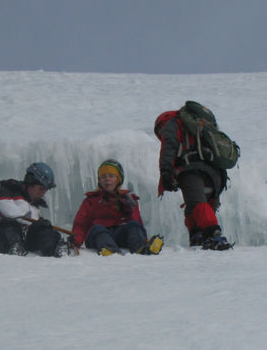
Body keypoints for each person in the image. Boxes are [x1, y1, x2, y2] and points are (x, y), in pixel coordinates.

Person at [154, 101, 235, 250]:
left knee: (196, 203)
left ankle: (212, 234)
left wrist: (165, 172)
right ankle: (197, 234)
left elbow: (169, 146)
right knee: (195, 205)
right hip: (216, 175)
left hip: (192, 170)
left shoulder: (172, 123)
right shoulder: (200, 127)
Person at [70, 159, 163, 256]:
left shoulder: (128, 199)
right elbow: (80, 224)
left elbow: (136, 221)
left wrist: (142, 237)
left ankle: (141, 248)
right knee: (97, 228)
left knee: (133, 225)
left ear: (118, 179)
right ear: (99, 181)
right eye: (103, 176)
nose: (107, 179)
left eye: (111, 176)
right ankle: (111, 252)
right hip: (97, 237)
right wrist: (75, 242)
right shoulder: (90, 201)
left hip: (120, 234)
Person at [0, 162, 65, 256]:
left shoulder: (34, 205)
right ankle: (14, 250)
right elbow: (12, 214)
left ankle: (55, 249)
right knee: (9, 225)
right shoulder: (4, 192)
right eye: (40, 189)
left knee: (44, 229)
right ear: (30, 183)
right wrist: (20, 199)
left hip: (25, 241)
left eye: (45, 190)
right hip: (0, 238)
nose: (43, 194)